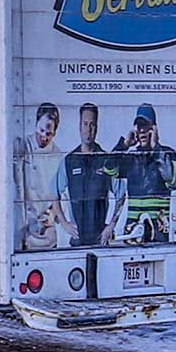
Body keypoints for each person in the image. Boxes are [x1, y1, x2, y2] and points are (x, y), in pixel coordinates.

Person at [118, 106, 176, 244]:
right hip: (133, 234)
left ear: (154, 129)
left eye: (146, 126)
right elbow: (107, 170)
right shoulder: (131, 157)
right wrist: (124, 145)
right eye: (139, 126)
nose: (141, 130)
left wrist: (156, 149)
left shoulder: (167, 153)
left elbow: (174, 181)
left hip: (159, 233)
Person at [61, 103, 121, 248]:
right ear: (79, 126)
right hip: (77, 242)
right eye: (85, 124)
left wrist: (111, 225)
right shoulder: (69, 161)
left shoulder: (106, 160)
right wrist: (65, 224)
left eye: (92, 125)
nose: (89, 129)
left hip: (100, 241)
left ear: (97, 127)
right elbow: (53, 193)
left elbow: (122, 194)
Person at [17, 103, 69, 251]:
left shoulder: (58, 156)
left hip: (47, 235)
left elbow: (62, 194)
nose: (44, 137)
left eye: (49, 134)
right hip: (24, 232)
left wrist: (53, 214)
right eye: (41, 131)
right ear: (36, 124)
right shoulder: (23, 147)